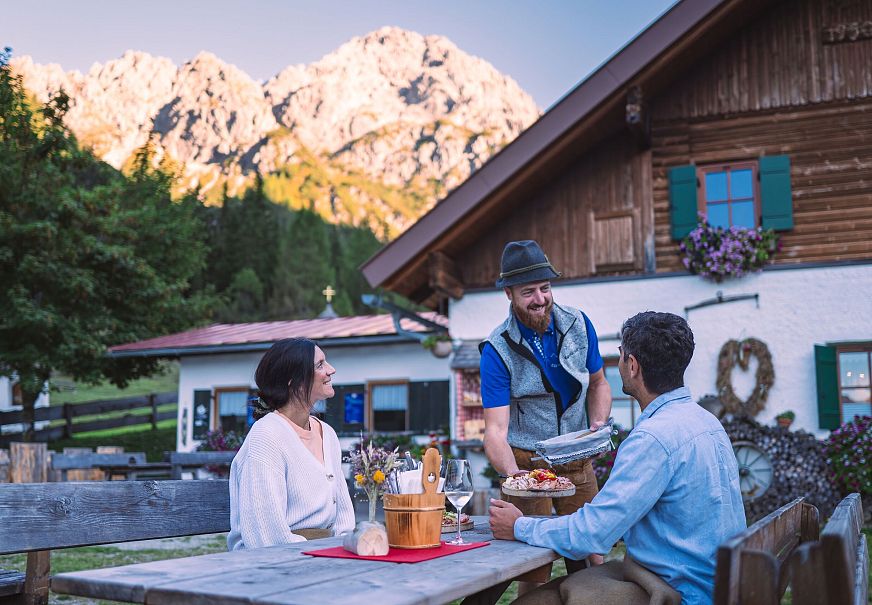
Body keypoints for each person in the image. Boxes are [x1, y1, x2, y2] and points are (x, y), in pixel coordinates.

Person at [490, 311, 747, 605]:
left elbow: (593, 534)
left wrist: (519, 526)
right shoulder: (707, 421)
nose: (621, 361)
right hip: (716, 581)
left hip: (682, 592)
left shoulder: (652, 438)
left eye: (622, 355)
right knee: (550, 593)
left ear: (633, 365)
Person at [479, 240, 613, 584]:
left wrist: (597, 424)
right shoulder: (496, 350)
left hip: (576, 461)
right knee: (531, 566)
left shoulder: (580, 324)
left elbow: (599, 384)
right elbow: (494, 431)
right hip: (525, 464)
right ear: (508, 293)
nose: (540, 299)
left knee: (592, 555)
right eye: (528, 292)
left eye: (545, 287)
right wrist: (517, 478)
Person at [227, 338, 355, 550]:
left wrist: (345, 548)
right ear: (293, 380)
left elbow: (344, 521)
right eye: (320, 364)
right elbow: (266, 537)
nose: (331, 370)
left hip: (322, 555)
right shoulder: (266, 435)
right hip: (273, 563)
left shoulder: (328, 435)